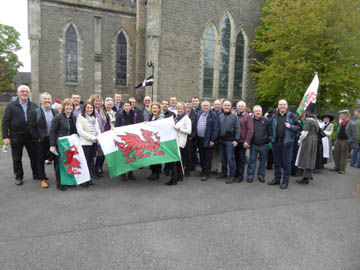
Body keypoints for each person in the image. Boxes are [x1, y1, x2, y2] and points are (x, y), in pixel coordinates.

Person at [2, 85, 39, 186]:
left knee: (34, 156)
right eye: (22, 91)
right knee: (17, 158)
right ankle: (19, 177)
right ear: (18, 93)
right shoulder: (11, 106)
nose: (24, 93)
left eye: (26, 91)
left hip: (30, 136)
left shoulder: (34, 106)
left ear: (29, 93)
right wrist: (5, 137)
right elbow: (5, 122)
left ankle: (36, 174)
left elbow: (38, 121)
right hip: (16, 136)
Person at [268, 99, 300, 189]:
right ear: (278, 106)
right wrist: (271, 138)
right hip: (276, 142)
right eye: (280, 104)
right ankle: (277, 179)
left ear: (287, 106)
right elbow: (270, 128)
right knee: (277, 162)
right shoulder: (274, 116)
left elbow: (299, 128)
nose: (282, 106)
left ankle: (285, 181)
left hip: (287, 143)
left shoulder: (292, 116)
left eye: (284, 104)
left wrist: (291, 126)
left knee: (286, 163)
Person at [28, 92, 58, 188]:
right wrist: (38, 138)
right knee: (40, 159)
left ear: (51, 100)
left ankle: (59, 178)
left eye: (48, 99)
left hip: (53, 139)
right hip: (41, 140)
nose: (47, 101)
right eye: (45, 99)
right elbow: (30, 127)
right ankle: (42, 178)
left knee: (56, 158)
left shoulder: (55, 112)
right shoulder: (35, 112)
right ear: (41, 101)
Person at [49, 98, 77, 191]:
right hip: (60, 144)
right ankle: (59, 183)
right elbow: (52, 132)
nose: (69, 107)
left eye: (71, 105)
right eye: (67, 105)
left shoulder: (73, 117)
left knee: (68, 164)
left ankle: (68, 181)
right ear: (63, 107)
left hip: (69, 144)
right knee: (59, 164)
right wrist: (52, 145)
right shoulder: (58, 117)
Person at [76, 102, 101, 186]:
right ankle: (83, 180)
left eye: (91, 108)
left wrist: (99, 136)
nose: (89, 109)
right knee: (84, 161)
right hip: (85, 143)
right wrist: (93, 137)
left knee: (91, 161)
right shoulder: (80, 117)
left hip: (94, 143)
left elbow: (97, 129)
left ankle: (88, 178)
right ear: (84, 109)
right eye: (88, 108)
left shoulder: (94, 118)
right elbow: (80, 131)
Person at [167, 103, 192, 185]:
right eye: (178, 108)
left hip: (181, 142)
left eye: (181, 108)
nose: (179, 110)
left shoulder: (186, 118)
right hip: (175, 141)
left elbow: (189, 131)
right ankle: (179, 176)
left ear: (184, 109)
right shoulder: (176, 117)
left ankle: (174, 179)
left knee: (174, 160)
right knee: (178, 161)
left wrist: (179, 128)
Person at [217, 100, 240, 184]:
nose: (226, 107)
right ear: (222, 106)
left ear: (230, 107)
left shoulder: (234, 117)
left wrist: (236, 140)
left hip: (230, 141)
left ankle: (232, 175)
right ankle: (224, 172)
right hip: (221, 141)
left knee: (230, 158)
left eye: (228, 105)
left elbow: (238, 128)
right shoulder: (220, 116)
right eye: (225, 105)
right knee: (223, 158)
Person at [296, 103, 319, 184]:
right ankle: (309, 175)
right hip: (314, 140)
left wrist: (300, 141)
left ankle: (305, 178)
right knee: (310, 158)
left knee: (305, 158)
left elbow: (305, 133)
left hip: (308, 140)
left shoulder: (308, 121)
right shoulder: (316, 121)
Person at [196, 100, 219, 181]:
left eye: (207, 105)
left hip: (208, 139)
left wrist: (212, 140)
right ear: (201, 106)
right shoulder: (199, 113)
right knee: (201, 156)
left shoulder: (213, 115)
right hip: (200, 139)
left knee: (207, 158)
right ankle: (203, 171)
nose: (205, 107)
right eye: (204, 105)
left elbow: (216, 129)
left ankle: (206, 174)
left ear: (210, 106)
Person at [247, 105, 271, 183]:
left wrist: (268, 140)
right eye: (256, 111)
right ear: (253, 112)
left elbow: (270, 131)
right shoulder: (251, 120)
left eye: (259, 111)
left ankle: (261, 175)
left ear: (261, 112)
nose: (258, 112)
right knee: (252, 161)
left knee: (263, 161)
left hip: (264, 145)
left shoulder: (267, 120)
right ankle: (250, 176)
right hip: (254, 144)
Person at [115, 101, 138, 181]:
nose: (127, 107)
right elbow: (117, 125)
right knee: (123, 156)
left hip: (131, 138)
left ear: (131, 106)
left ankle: (130, 173)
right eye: (126, 105)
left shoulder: (134, 114)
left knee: (131, 156)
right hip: (123, 138)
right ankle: (123, 174)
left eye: (128, 105)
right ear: (123, 106)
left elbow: (137, 124)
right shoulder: (120, 115)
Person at [331, 110, 358, 174]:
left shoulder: (353, 124)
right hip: (338, 140)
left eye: (341, 115)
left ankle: (342, 169)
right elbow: (338, 132)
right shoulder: (341, 123)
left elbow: (355, 135)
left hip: (346, 141)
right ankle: (337, 167)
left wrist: (348, 141)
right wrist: (336, 140)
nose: (339, 116)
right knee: (336, 155)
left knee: (344, 155)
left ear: (346, 115)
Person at [235, 100, 254, 183]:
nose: (240, 107)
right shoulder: (234, 115)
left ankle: (240, 175)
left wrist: (247, 141)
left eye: (242, 106)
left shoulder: (248, 116)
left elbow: (250, 129)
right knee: (235, 158)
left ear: (244, 107)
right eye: (239, 106)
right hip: (235, 141)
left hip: (243, 141)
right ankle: (236, 173)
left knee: (241, 159)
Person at [90, 95, 107, 177]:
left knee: (101, 154)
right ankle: (93, 171)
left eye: (99, 101)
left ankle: (96, 169)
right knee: (92, 154)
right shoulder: (91, 110)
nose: (98, 102)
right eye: (96, 101)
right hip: (93, 135)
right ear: (93, 102)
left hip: (102, 134)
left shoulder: (101, 111)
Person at [148, 103, 165, 180]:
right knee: (152, 157)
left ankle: (156, 173)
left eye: (156, 108)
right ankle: (153, 172)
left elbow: (158, 125)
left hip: (157, 141)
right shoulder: (151, 116)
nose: (154, 109)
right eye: (153, 108)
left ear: (159, 109)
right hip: (151, 141)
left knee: (156, 157)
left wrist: (149, 124)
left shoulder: (161, 117)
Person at [161, 99, 176, 176]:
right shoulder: (158, 113)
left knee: (168, 153)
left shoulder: (172, 114)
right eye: (163, 103)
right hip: (159, 137)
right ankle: (158, 169)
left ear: (168, 105)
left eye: (166, 104)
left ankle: (167, 169)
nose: (165, 105)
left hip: (168, 137)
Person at [184, 100, 198, 176]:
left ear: (192, 106)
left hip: (190, 138)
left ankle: (188, 170)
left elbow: (196, 127)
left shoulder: (195, 114)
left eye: (190, 105)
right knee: (183, 154)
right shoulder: (182, 114)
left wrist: (192, 137)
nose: (188, 107)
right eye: (187, 105)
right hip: (183, 137)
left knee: (189, 154)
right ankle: (183, 167)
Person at [211, 99, 223, 175]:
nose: (217, 105)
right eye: (215, 104)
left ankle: (219, 169)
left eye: (218, 104)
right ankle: (212, 168)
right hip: (212, 136)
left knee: (219, 154)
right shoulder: (210, 113)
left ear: (221, 105)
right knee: (212, 154)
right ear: (213, 105)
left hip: (220, 137)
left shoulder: (223, 113)